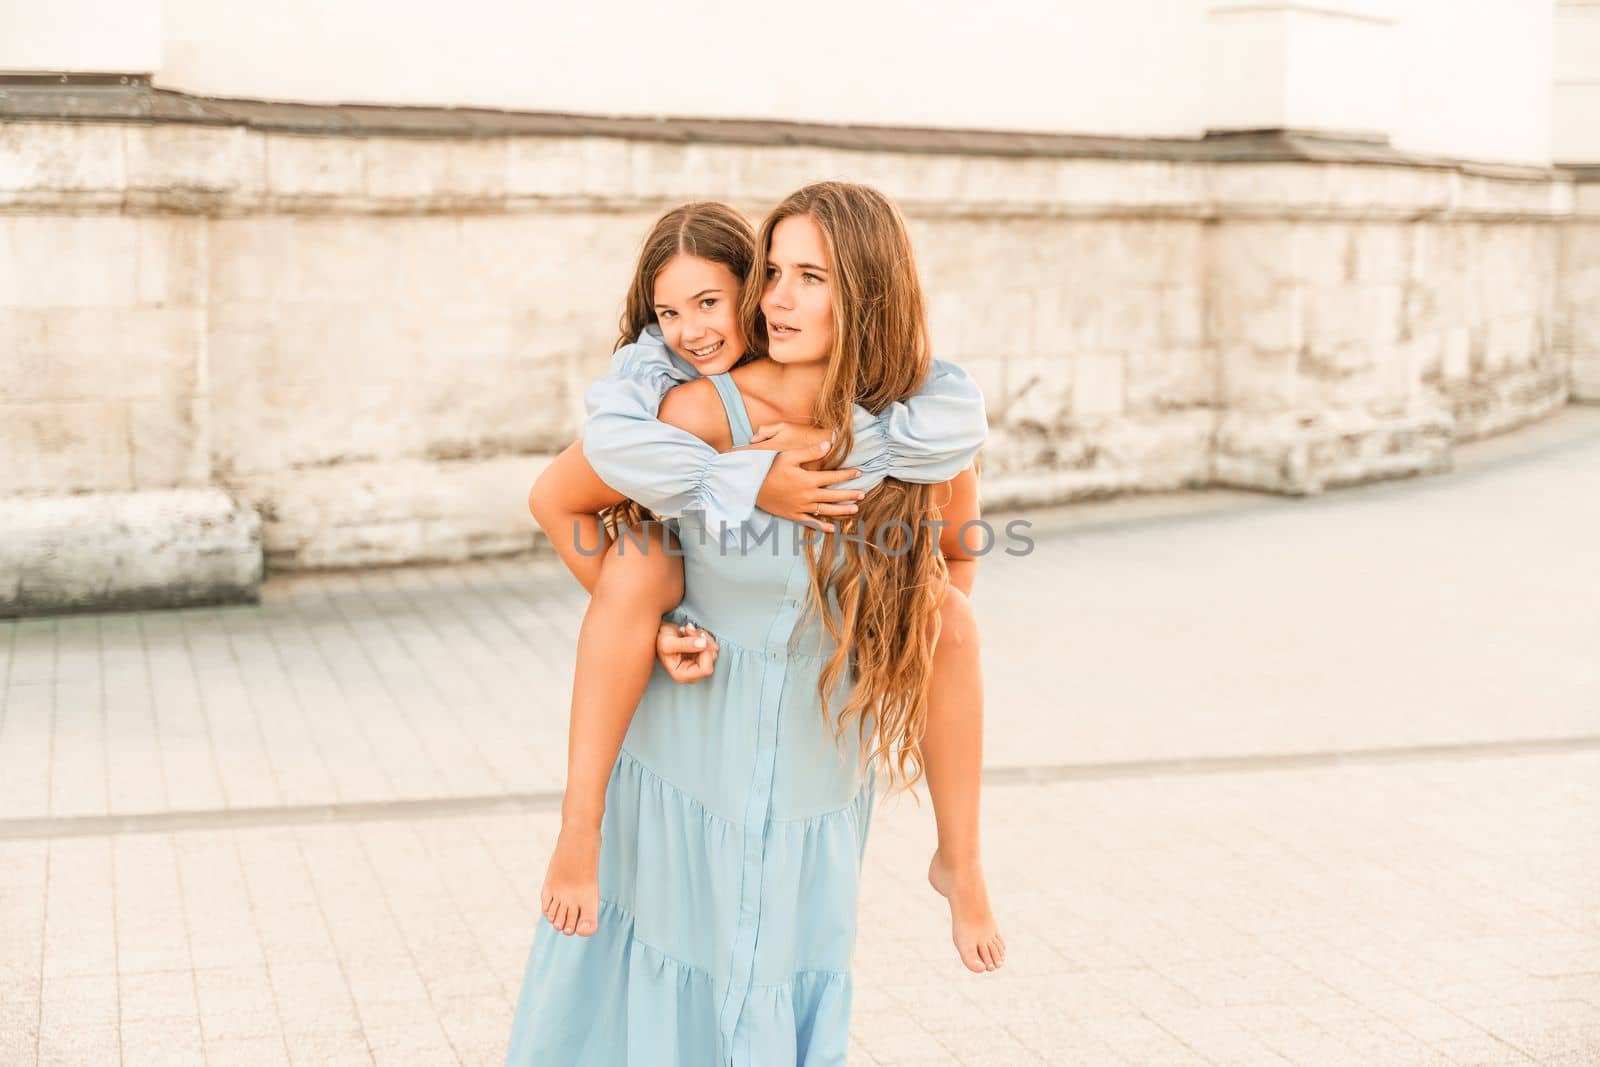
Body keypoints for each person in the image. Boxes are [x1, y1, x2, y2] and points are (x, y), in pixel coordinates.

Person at [506, 182, 1001, 1065]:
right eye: (771, 271)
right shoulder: (704, 412)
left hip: (817, 754)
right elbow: (566, 502)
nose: (775, 297)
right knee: (680, 956)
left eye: (809, 276)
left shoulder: (918, 433)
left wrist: (901, 632)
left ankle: (959, 859)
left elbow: (959, 554)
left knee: (782, 963)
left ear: (868, 288)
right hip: (691, 737)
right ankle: (577, 831)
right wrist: (655, 623)